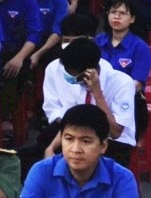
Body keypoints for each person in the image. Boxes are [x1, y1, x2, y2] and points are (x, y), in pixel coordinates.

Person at [11, 103, 140, 198]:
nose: (75, 149)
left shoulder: (122, 179)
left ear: (103, 145)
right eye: (69, 139)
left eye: (86, 141)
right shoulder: (42, 171)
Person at [41, 27, 137, 164]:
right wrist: (51, 148)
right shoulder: (74, 80)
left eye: (74, 76)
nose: (71, 80)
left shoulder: (122, 83)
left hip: (111, 142)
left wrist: (97, 93)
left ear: (89, 72)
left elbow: (115, 132)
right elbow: (73, 120)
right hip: (76, 134)